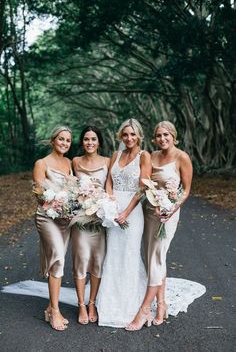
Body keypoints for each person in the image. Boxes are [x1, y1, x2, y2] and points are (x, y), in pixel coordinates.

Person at [125, 120, 193, 331]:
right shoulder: (151, 156)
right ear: (154, 138)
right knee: (153, 257)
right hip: (148, 212)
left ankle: (145, 309)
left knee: (156, 256)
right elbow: (144, 185)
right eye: (159, 136)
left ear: (173, 136)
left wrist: (171, 208)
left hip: (168, 214)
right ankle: (161, 304)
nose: (162, 139)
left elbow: (186, 190)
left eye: (166, 135)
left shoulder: (182, 158)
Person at [97, 118, 152, 328]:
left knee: (129, 254)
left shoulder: (144, 156)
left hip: (132, 212)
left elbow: (142, 188)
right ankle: (109, 305)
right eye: (125, 134)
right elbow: (109, 180)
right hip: (113, 211)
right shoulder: (115, 155)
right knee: (114, 254)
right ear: (121, 136)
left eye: (133, 134)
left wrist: (126, 212)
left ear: (139, 136)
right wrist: (110, 202)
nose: (129, 138)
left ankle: (131, 307)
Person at [33, 126, 72, 331]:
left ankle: (50, 308)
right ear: (53, 140)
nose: (64, 143)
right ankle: (56, 311)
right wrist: (60, 201)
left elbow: (74, 190)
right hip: (47, 218)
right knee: (58, 256)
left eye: (68, 140)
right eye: (61, 139)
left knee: (59, 261)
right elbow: (40, 195)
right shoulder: (42, 163)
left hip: (65, 221)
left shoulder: (69, 163)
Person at [71, 126, 110, 325]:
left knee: (97, 262)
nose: (90, 143)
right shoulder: (75, 162)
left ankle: (92, 302)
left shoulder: (107, 162)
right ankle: (81, 305)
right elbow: (71, 188)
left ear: (99, 142)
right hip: (80, 220)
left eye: (93, 139)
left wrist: (105, 204)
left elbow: (110, 190)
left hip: (99, 221)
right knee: (81, 261)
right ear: (82, 142)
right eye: (86, 139)